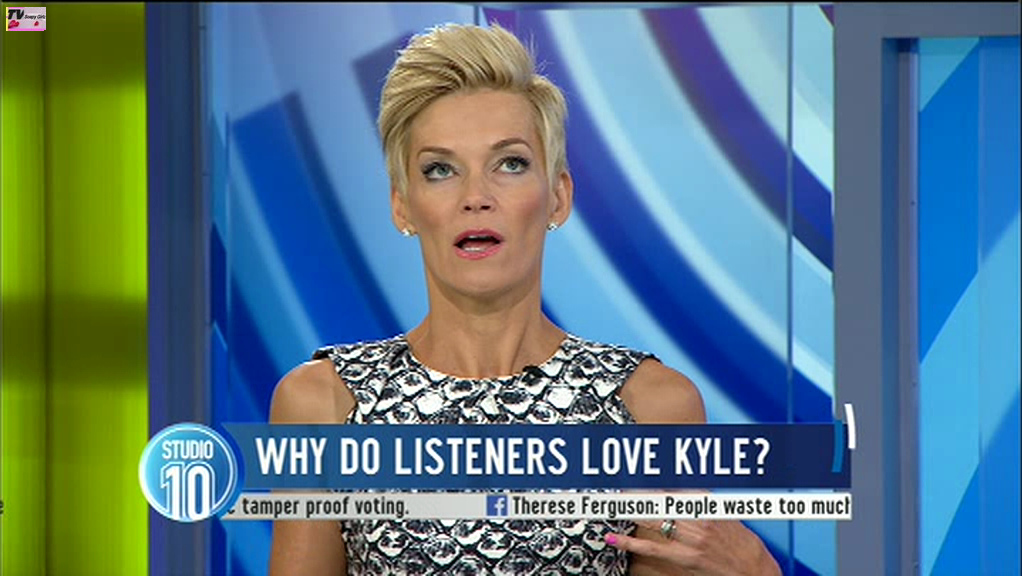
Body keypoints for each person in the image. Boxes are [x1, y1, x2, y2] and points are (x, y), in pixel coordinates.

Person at [267, 22, 781, 576]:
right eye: (440, 170)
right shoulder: (324, 404)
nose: (475, 197)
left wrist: (757, 568)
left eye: (510, 164)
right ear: (403, 206)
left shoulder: (651, 406)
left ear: (558, 196)